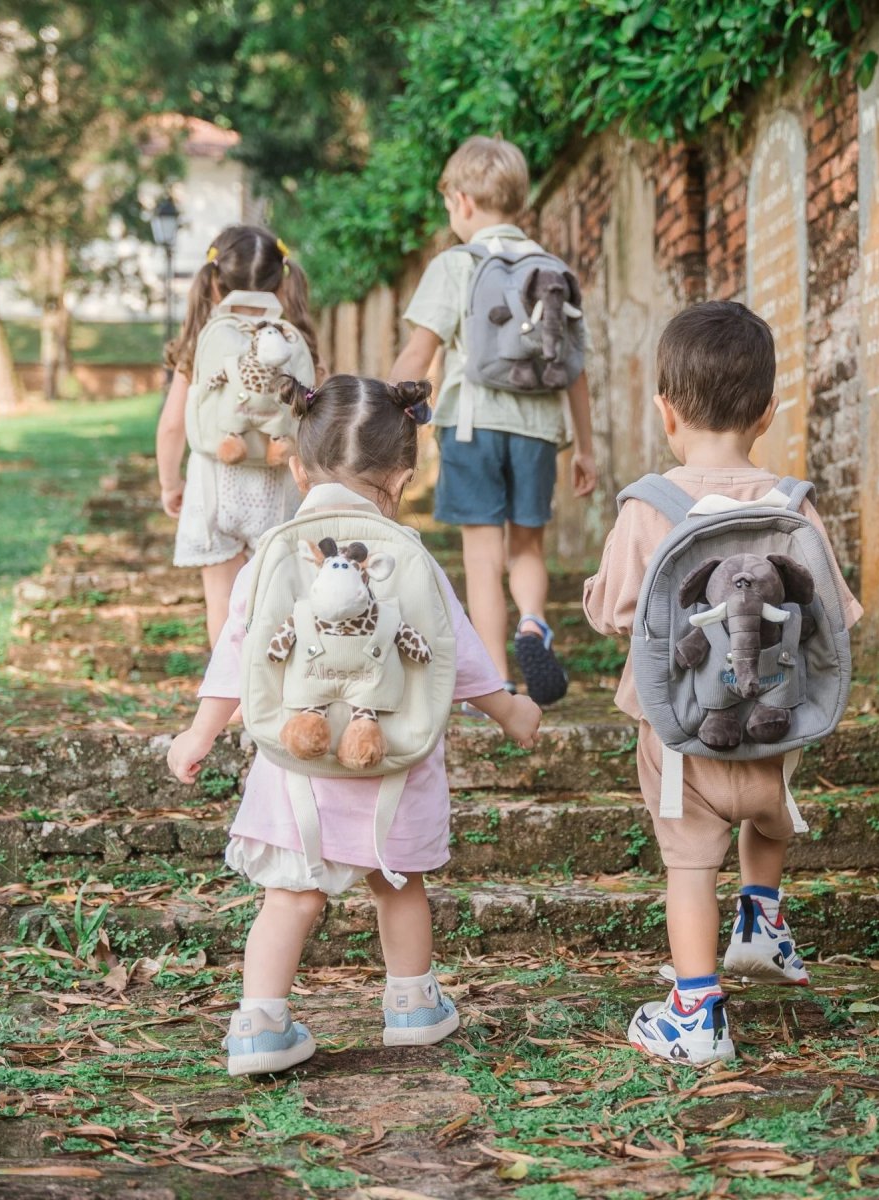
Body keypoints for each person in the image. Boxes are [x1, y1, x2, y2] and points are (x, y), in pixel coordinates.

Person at [167, 373, 542, 1076]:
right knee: (398, 884)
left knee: (290, 897)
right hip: (391, 759)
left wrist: (201, 731)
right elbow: (453, 651)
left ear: (296, 463)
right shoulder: (411, 555)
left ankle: (259, 1025)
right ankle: (411, 1007)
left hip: (297, 766)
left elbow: (240, 651)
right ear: (403, 476)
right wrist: (510, 709)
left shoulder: (273, 553)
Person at [583, 301, 863, 1064]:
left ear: (666, 412)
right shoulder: (795, 505)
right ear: (768, 413)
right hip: (773, 726)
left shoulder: (648, 506)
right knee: (767, 815)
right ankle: (762, 923)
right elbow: (838, 615)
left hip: (680, 736)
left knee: (689, 861)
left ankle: (696, 1011)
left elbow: (613, 610)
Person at [389, 135, 597, 708]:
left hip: (471, 428)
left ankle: (498, 680)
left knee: (482, 557)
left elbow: (420, 354)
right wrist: (586, 447)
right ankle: (533, 623)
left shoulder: (454, 265)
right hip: (537, 432)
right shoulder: (550, 268)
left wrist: (383, 405)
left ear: (460, 201)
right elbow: (575, 369)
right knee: (526, 546)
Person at [156, 225, 320, 648]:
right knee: (279, 602)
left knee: (224, 607)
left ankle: (231, 698)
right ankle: (274, 698)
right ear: (283, 280)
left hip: (214, 482)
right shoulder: (294, 339)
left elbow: (174, 424)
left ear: (214, 281)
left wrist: (170, 483)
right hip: (279, 483)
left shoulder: (200, 341)